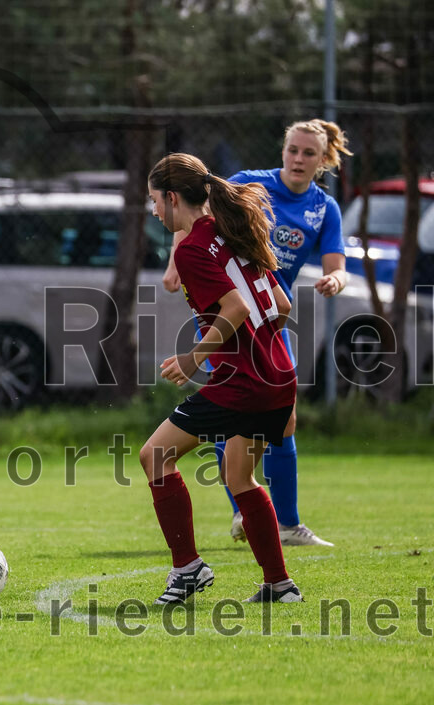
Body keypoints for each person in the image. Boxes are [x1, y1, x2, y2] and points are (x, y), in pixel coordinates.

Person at [163, 119, 350, 547]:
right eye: (293, 150)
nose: (299, 159)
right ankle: (244, 513)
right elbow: (190, 217)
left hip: (270, 317)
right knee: (230, 415)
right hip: (227, 314)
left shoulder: (324, 209)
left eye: (309, 153)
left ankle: (285, 524)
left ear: (323, 160)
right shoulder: (249, 185)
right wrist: (175, 262)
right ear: (282, 151)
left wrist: (334, 281)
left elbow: (335, 265)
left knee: (283, 420)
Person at [143, 153, 302, 604]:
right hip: (276, 373)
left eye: (155, 201)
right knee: (240, 478)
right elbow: (281, 305)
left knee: (154, 457)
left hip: (243, 381)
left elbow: (236, 308)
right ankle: (279, 584)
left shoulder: (192, 247)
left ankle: (187, 569)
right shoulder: (231, 230)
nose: (155, 211)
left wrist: (195, 358)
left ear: (173, 198)